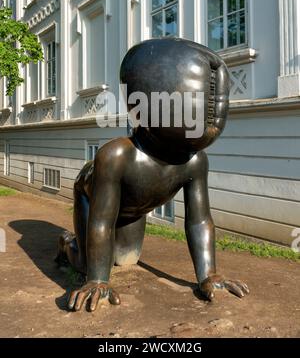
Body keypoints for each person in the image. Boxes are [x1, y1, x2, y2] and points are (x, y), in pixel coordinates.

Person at [56, 38, 249, 312]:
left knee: (125, 260)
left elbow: (199, 221)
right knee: (92, 265)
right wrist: (98, 280)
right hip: (93, 199)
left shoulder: (194, 161)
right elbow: (101, 222)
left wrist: (209, 275)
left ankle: (87, 251)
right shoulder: (116, 157)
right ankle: (67, 244)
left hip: (134, 209)